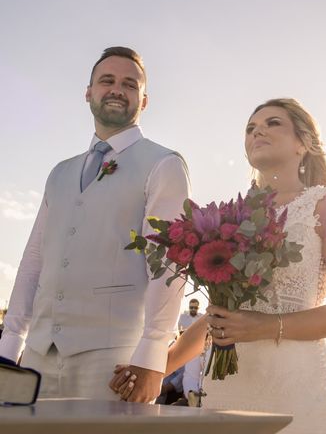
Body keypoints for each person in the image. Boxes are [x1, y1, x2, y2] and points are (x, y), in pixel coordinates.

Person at [113, 98, 326, 432]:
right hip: (228, 390)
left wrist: (264, 326)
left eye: (272, 123)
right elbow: (216, 316)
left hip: (298, 389)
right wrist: (156, 368)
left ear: (302, 143)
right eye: (250, 128)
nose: (257, 130)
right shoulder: (233, 217)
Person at [0, 47, 190, 402]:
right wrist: (10, 345)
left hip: (115, 360)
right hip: (39, 357)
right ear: (89, 92)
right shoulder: (60, 172)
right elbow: (34, 260)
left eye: (129, 85)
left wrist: (152, 357)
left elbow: (167, 266)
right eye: (107, 81)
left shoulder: (163, 164)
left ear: (144, 100)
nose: (117, 89)